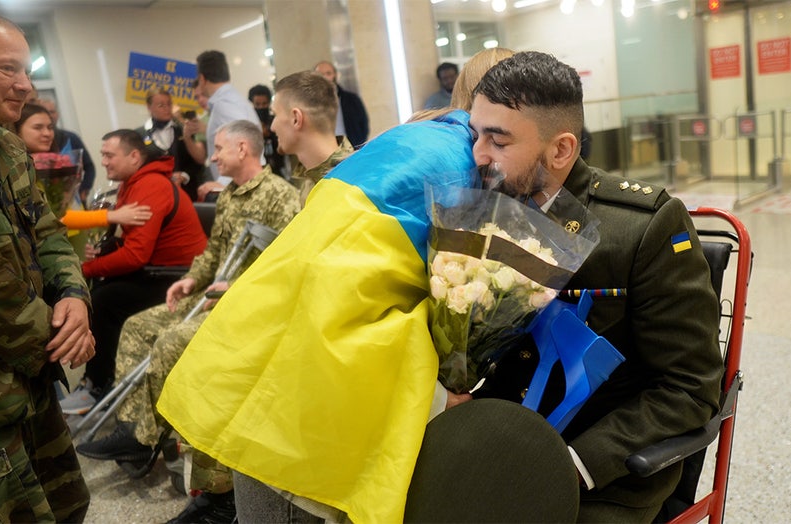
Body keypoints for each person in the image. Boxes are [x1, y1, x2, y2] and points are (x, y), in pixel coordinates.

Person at [157, 49, 512, 524]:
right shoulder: (459, 165)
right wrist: (436, 400)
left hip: (269, 388)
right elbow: (343, 306)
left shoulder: (409, 142)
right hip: (307, 435)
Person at [465, 51, 723, 522]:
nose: (478, 154)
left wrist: (574, 464)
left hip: (599, 472)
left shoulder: (640, 228)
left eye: (498, 140)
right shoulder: (483, 211)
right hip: (497, 445)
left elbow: (689, 387)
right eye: (475, 134)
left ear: (561, 149)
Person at [76, 120, 303, 521]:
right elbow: (214, 250)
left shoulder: (279, 196)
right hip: (211, 292)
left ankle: (153, 440)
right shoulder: (231, 195)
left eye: (218, 148)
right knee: (138, 327)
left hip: (249, 302)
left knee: (171, 343)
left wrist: (232, 288)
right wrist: (192, 279)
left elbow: (283, 265)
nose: (211, 156)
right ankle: (134, 432)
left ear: (243, 150)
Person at [0, 10, 94, 522]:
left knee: (65, 503)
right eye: (7, 70)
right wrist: (60, 339)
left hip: (29, 378)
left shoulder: (6, 146)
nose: (26, 85)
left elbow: (47, 232)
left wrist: (74, 298)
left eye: (27, 69)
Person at [59, 129, 207, 415]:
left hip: (181, 278)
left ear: (134, 156)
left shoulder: (149, 185)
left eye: (109, 155)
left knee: (105, 300)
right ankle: (101, 380)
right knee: (102, 291)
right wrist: (101, 257)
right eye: (102, 155)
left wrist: (87, 268)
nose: (103, 162)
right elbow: (131, 242)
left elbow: (135, 255)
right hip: (159, 270)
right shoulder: (135, 182)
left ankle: (100, 385)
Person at [14, 103, 151, 231]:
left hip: (74, 233)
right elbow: (51, 218)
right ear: (17, 131)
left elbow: (64, 211)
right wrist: (112, 216)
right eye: (38, 127)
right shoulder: (15, 171)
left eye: (50, 127)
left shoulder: (57, 162)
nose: (47, 133)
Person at [271, 71, 355, 206]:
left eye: (275, 114)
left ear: (296, 119)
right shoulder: (311, 177)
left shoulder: (350, 182)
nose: (272, 127)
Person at [195, 50, 262, 200]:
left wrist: (224, 183)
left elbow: (243, 144)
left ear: (202, 78)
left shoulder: (226, 105)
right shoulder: (230, 101)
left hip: (238, 188)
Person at [135, 88, 206, 202]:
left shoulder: (184, 130)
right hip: (155, 195)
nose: (167, 109)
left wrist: (184, 175)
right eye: (161, 105)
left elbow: (197, 163)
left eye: (169, 104)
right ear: (149, 107)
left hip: (186, 194)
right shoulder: (138, 135)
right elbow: (138, 168)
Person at [36, 97, 97, 204]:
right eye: (46, 112)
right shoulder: (33, 146)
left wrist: (83, 190)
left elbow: (89, 167)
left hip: (74, 201)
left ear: (58, 114)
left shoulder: (71, 138)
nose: (50, 115)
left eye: (52, 111)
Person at [314, 60, 369, 149]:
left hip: (351, 149)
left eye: (328, 73)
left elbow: (363, 124)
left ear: (335, 75)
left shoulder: (351, 99)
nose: (325, 77)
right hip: (325, 152)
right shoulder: (311, 104)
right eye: (321, 74)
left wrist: (358, 146)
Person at [248, 83, 287, 178]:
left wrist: (270, 134)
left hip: (278, 170)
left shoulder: (276, 120)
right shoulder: (248, 123)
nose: (261, 107)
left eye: (264, 104)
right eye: (257, 104)